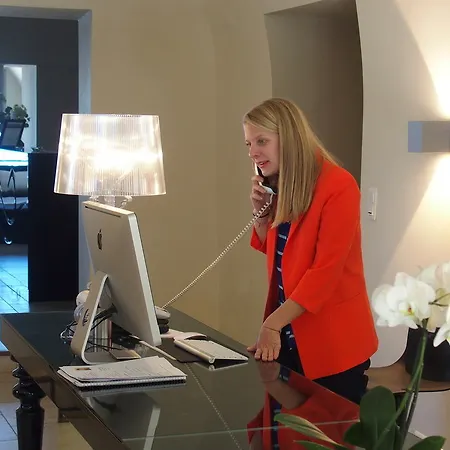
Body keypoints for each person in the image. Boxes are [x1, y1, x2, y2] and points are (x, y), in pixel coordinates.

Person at [244, 97, 378, 404]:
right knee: (283, 426)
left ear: (289, 137)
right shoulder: (283, 184)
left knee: (327, 429)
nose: (253, 152)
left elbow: (324, 274)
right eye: (249, 144)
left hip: (332, 343)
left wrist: (271, 324)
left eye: (262, 141)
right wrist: (261, 214)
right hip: (290, 337)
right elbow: (280, 255)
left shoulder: (339, 186)